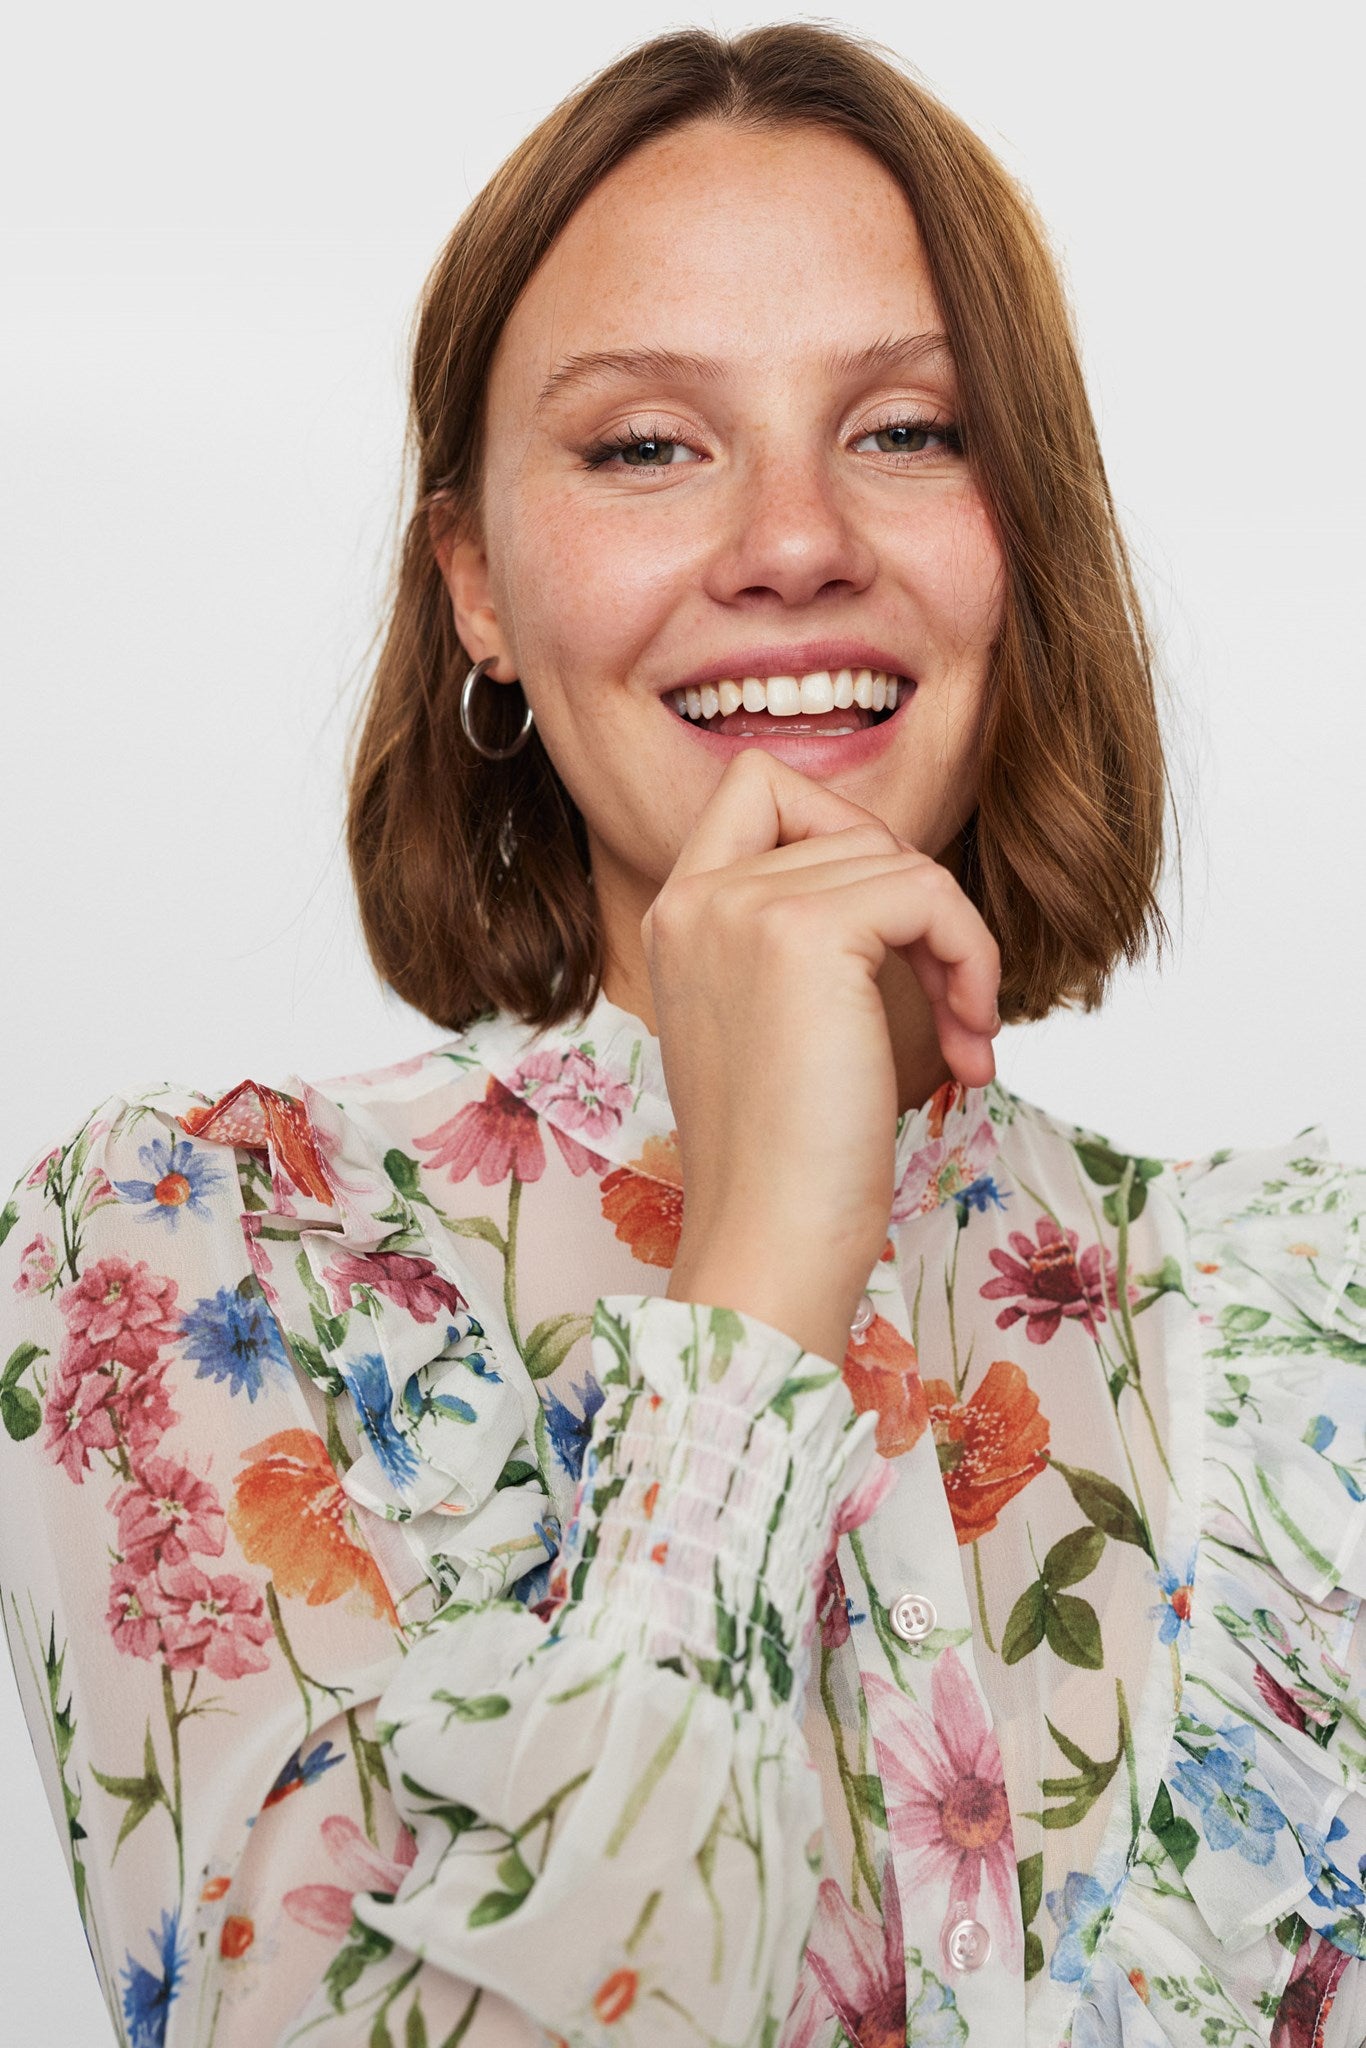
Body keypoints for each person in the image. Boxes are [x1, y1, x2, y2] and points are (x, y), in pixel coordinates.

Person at [2, 20, 1363, 2047]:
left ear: (1026, 537)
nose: (793, 541)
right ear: (475, 581)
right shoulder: (192, 1255)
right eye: (646, 445)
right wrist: (754, 1297)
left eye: (908, 430)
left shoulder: (1311, 1331)